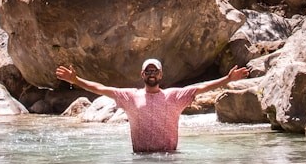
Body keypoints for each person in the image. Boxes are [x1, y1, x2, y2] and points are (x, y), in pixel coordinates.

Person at [55, 58, 250, 153]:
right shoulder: (130, 97)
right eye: (148, 71)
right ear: (142, 75)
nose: (151, 74)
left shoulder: (175, 96)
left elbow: (201, 87)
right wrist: (76, 79)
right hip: (140, 162)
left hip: (169, 161)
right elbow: (101, 88)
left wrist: (227, 78)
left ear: (161, 75)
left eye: (154, 70)